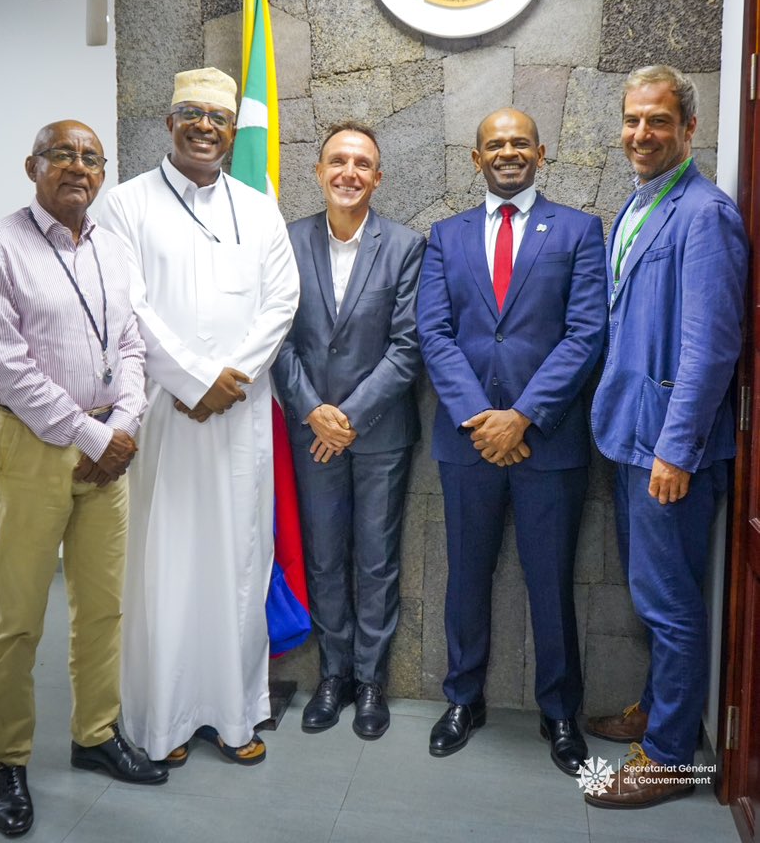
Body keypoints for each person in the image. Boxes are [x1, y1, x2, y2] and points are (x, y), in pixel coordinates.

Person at [0, 121, 166, 838]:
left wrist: (126, 426)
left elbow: (135, 345)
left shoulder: (113, 246)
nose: (77, 167)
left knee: (103, 607)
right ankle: (8, 760)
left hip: (110, 444)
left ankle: (95, 736)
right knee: (18, 616)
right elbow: (6, 367)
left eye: (90, 157)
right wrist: (91, 435)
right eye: (62, 155)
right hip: (34, 449)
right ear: (33, 166)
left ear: (102, 173)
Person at [96, 67, 299, 768]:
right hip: (166, 414)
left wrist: (228, 382)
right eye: (191, 113)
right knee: (167, 566)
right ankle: (164, 720)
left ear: (229, 129)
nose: (205, 127)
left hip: (237, 421)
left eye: (217, 116)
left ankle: (235, 717)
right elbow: (129, 304)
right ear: (169, 120)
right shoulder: (125, 204)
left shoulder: (259, 204)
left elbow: (282, 301)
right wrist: (191, 380)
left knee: (240, 564)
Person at [416, 108, 606, 775]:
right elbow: (434, 334)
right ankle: (464, 698)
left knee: (550, 583)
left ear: (541, 151)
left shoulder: (581, 231)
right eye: (494, 144)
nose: (507, 153)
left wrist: (522, 417)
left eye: (518, 142)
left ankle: (560, 712)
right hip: (468, 446)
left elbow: (586, 334)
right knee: (466, 578)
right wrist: (481, 418)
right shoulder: (445, 236)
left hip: (547, 447)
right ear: (476, 158)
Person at [586, 65, 748, 808]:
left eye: (657, 122)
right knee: (652, 595)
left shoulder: (705, 214)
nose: (641, 135)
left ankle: (670, 754)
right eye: (632, 121)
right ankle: (656, 709)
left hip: (667, 454)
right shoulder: (640, 204)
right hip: (630, 439)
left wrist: (677, 450)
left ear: (688, 129)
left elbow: (711, 346)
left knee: (672, 604)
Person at [272, 122, 425, 739]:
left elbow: (409, 345)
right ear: (319, 170)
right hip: (310, 432)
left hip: (380, 434)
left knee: (377, 559)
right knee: (326, 556)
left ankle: (370, 683)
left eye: (363, 164)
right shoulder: (286, 241)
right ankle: (332, 676)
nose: (349, 173)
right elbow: (275, 336)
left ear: (378, 177)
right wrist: (314, 411)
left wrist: (349, 418)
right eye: (339, 161)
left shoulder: (406, 246)